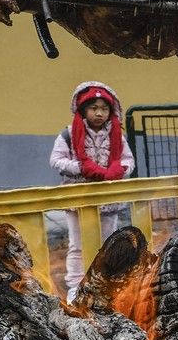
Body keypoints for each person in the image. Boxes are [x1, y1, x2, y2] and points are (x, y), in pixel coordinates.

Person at [49, 82, 135, 302]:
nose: (99, 113)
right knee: (78, 245)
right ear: (83, 109)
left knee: (108, 243)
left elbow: (128, 160)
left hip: (108, 200)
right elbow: (56, 160)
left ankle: (105, 285)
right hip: (78, 199)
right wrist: (81, 168)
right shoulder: (69, 134)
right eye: (93, 107)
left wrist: (119, 169)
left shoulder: (117, 135)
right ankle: (75, 288)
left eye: (104, 108)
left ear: (111, 111)